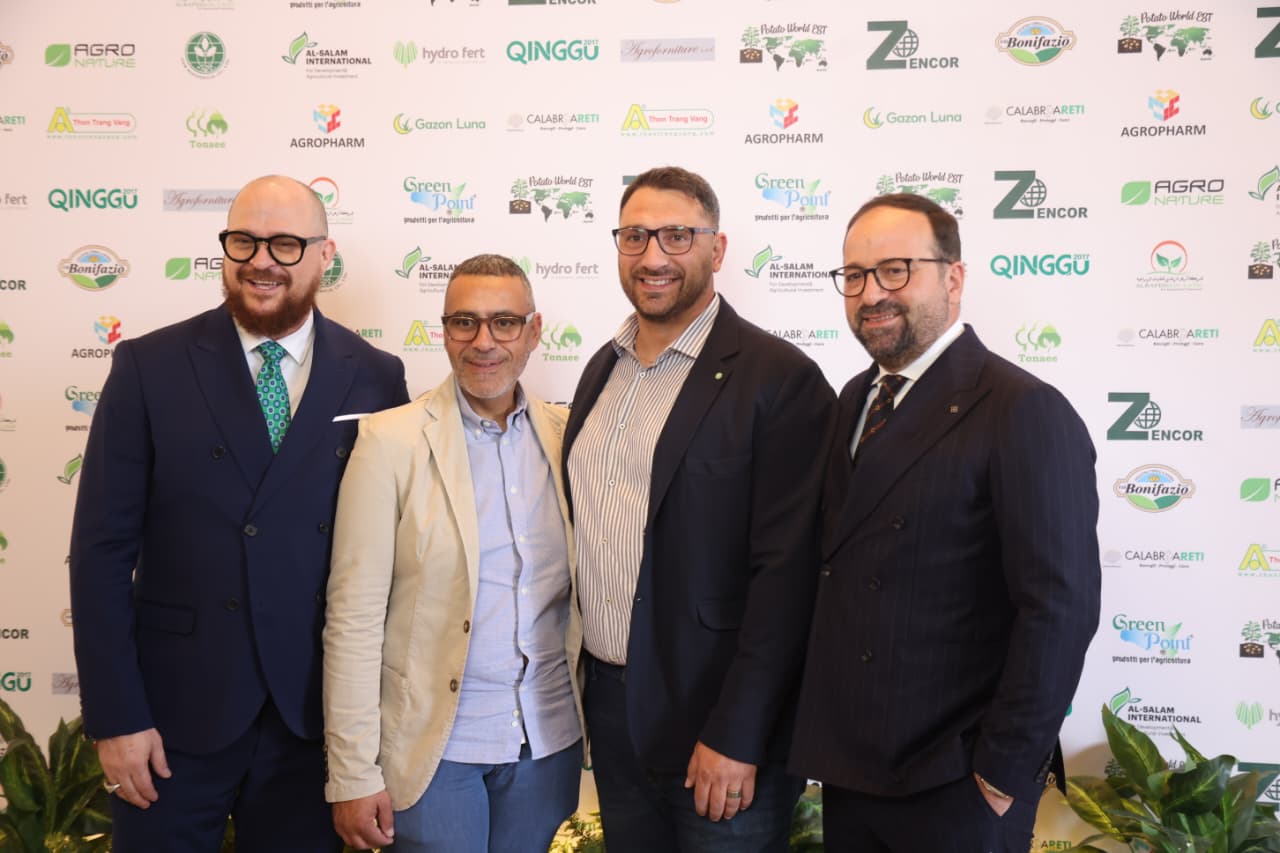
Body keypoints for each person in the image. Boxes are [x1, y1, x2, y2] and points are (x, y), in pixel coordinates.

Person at [68, 175, 409, 852]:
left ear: (324, 255)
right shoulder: (149, 365)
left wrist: (368, 734)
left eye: (285, 244)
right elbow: (101, 552)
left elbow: (393, 560)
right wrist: (117, 717)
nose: (261, 261)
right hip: (170, 719)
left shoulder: (376, 374)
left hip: (312, 719)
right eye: (244, 241)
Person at [789, 193, 1101, 852]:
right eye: (855, 275)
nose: (872, 293)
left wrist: (1001, 773)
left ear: (953, 278)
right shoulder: (854, 399)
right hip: (853, 771)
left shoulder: (1022, 408)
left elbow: (1059, 607)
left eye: (895, 270)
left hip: (956, 782)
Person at [564, 165, 835, 852]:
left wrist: (738, 732)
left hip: (719, 725)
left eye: (676, 235)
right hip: (614, 710)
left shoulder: (780, 379)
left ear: (717, 249)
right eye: (635, 236)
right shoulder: (602, 368)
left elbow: (789, 579)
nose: (652, 255)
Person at [322, 254, 584, 852]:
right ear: (443, 332)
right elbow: (354, 619)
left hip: (546, 741)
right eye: (465, 322)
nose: (483, 341)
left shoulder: (566, 436)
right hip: (435, 750)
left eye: (504, 323)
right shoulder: (389, 441)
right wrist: (352, 772)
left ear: (534, 332)